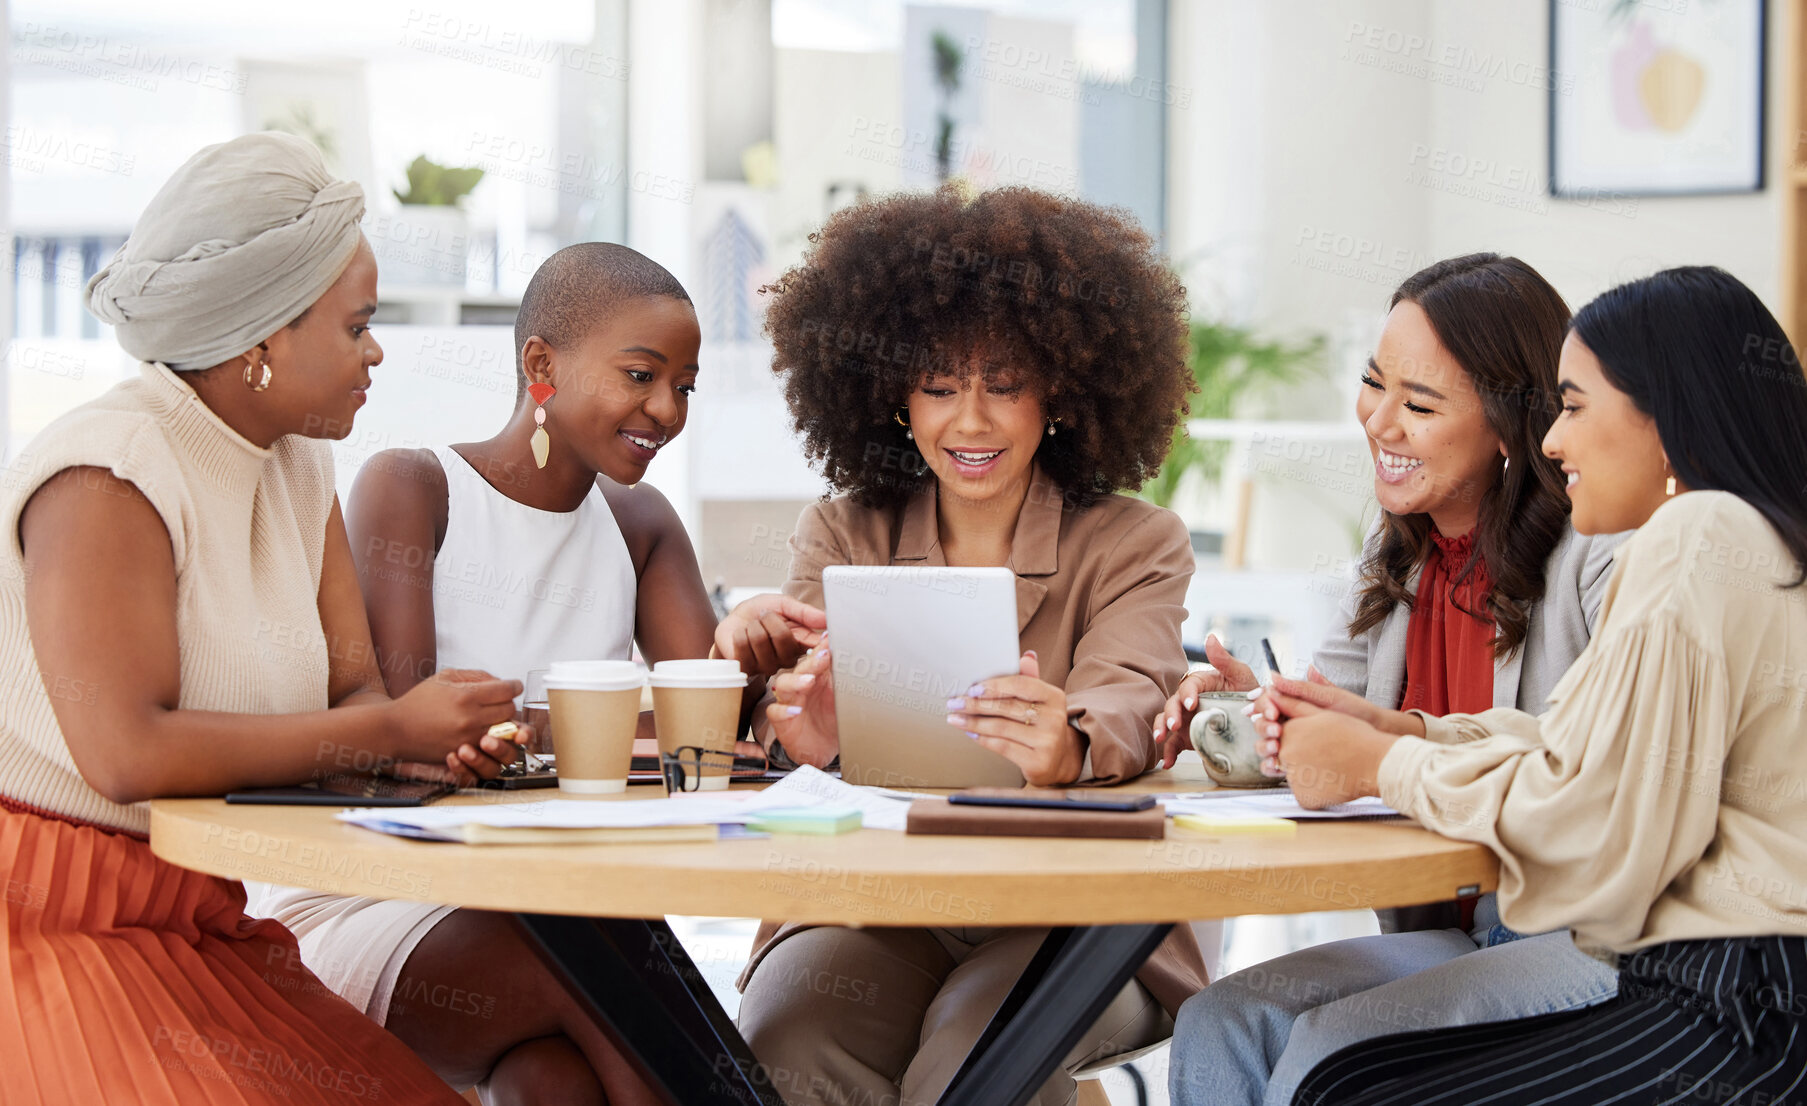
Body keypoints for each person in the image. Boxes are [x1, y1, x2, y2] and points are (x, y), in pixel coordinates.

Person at [248, 244, 821, 1104]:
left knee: (551, 1082)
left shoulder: (640, 523)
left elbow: (707, 740)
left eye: (686, 386)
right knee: (600, 946)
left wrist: (748, 647)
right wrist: (592, 732)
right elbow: (404, 744)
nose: (665, 409)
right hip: (376, 901)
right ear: (541, 365)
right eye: (640, 375)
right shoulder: (415, 487)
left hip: (553, 902)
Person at [0, 133, 503, 1104]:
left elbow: (351, 692)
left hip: (199, 911)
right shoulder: (108, 470)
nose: (377, 349)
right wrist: (390, 728)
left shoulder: (295, 459)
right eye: (357, 325)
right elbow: (125, 753)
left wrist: (423, 747)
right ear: (263, 336)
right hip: (50, 918)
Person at [1268, 266, 1807, 1104]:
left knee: (1346, 1086)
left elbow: (1593, 825)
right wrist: (1408, 733)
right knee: (1340, 1074)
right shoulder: (1748, 536)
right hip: (1745, 988)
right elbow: (1582, 748)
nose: (1552, 441)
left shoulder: (1696, 533)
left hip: (1737, 999)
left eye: (1575, 407)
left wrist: (1385, 768)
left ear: (1665, 418)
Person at [723, 185, 1209, 1106]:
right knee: (788, 1040)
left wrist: (1067, 739)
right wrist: (799, 729)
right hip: (879, 904)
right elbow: (784, 717)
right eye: (939, 388)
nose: (970, 422)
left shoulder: (1135, 542)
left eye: (1004, 385)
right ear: (893, 399)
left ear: (1059, 392)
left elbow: (1136, 692)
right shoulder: (841, 532)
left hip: (1068, 910)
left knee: (975, 1061)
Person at [1158, 254, 1623, 1106]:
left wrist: (1384, 742)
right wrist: (1246, 712)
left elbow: (1591, 772)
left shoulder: (1593, 555)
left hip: (1582, 939)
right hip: (1452, 930)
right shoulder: (1393, 558)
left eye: (1420, 404)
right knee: (1221, 1019)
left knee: (1334, 1051)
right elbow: (1327, 737)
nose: (1380, 421)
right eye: (1374, 385)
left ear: (1509, 425)